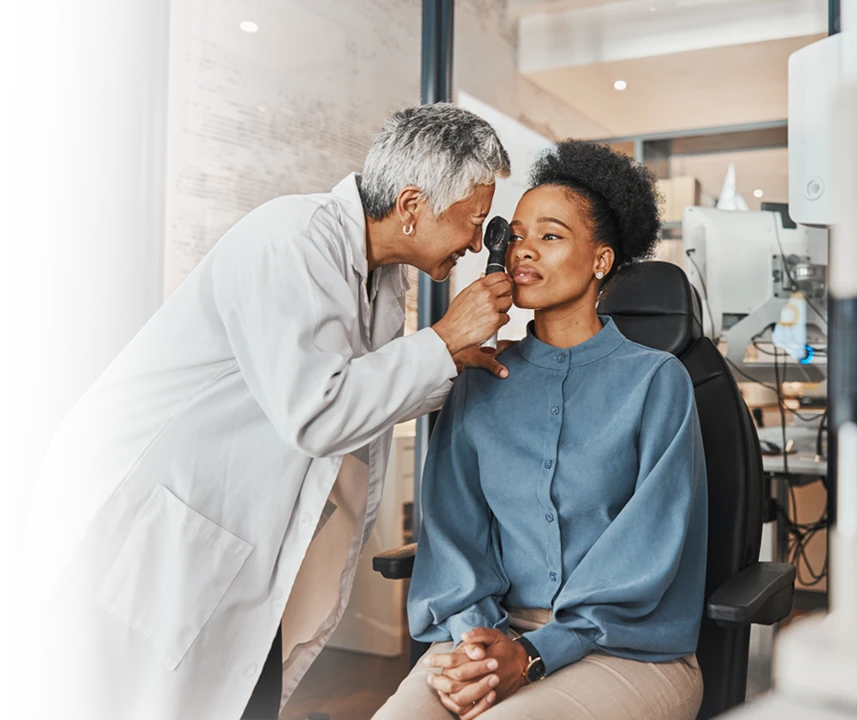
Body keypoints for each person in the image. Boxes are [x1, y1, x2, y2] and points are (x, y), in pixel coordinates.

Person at [6, 104, 516, 720]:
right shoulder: (293, 239)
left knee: (223, 683)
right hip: (146, 495)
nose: (473, 242)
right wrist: (441, 340)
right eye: (473, 222)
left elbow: (366, 394)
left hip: (213, 511)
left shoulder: (378, 279)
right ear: (412, 207)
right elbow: (317, 413)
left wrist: (452, 359)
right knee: (109, 691)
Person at [374, 140, 709, 720]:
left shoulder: (658, 382)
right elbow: (454, 535)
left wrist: (530, 654)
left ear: (601, 260)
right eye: (518, 234)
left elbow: (644, 557)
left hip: (625, 649)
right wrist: (479, 644)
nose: (524, 251)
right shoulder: (477, 377)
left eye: (550, 236)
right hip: (487, 634)